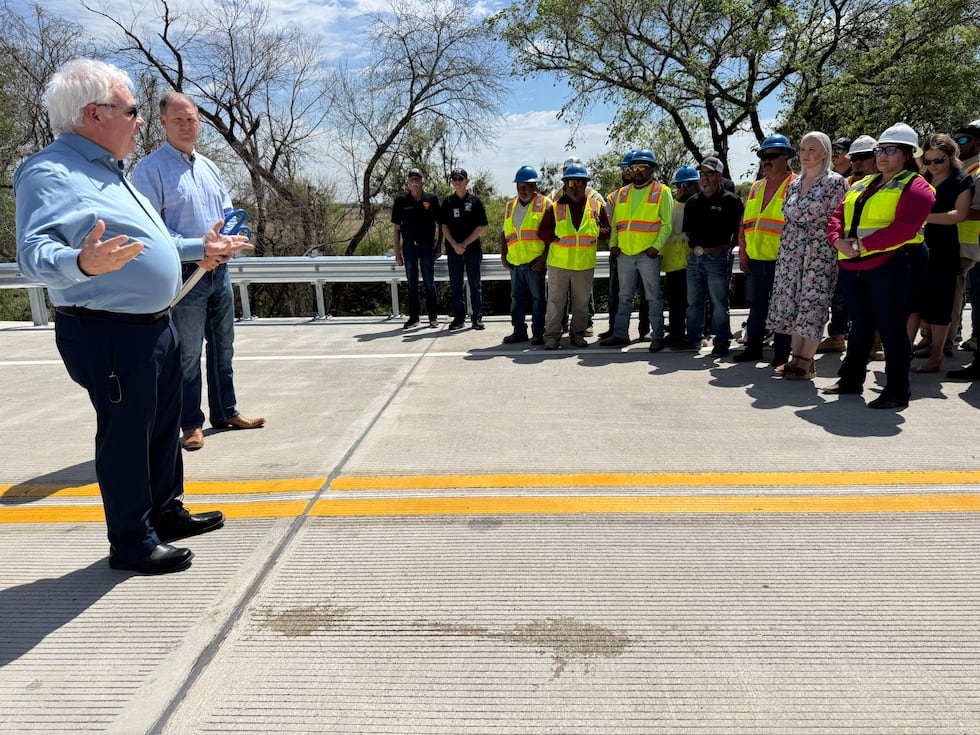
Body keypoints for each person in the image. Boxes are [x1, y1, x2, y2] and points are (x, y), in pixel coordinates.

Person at [15, 59, 251, 574]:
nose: (141, 120)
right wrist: (78, 261)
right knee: (126, 434)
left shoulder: (110, 172)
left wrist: (200, 246)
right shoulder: (49, 171)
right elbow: (32, 251)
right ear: (95, 114)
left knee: (164, 425)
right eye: (134, 110)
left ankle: (165, 512)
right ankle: (131, 541)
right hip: (108, 331)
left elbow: (156, 243)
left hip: (153, 324)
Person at [132, 91, 265, 452]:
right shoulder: (149, 170)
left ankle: (226, 412)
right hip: (186, 271)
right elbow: (152, 231)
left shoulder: (209, 167)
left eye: (191, 119)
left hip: (218, 270)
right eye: (179, 120)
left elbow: (226, 213)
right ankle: (191, 423)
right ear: (162, 123)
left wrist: (228, 244)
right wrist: (198, 252)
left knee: (224, 345)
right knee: (187, 353)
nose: (187, 126)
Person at [824, 122, 935, 408]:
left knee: (891, 328)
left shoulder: (917, 186)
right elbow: (837, 216)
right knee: (859, 325)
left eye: (890, 150)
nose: (882, 155)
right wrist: (838, 241)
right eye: (879, 150)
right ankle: (851, 380)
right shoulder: (861, 183)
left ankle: (897, 391)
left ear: (908, 154)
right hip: (854, 264)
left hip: (895, 264)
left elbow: (904, 228)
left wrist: (860, 245)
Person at [765, 132, 848, 379]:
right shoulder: (792, 183)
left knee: (812, 303)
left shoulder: (835, 182)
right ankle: (794, 357)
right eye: (802, 149)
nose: (806, 155)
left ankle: (806, 359)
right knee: (791, 302)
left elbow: (838, 219)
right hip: (791, 250)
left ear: (825, 153)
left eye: (812, 149)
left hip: (818, 251)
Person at [906, 135, 973, 373]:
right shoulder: (921, 179)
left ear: (951, 157)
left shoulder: (961, 180)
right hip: (917, 245)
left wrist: (922, 219)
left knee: (940, 305)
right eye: (929, 160)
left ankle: (936, 356)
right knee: (912, 303)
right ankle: (904, 352)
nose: (933, 165)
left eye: (938, 160)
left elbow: (959, 214)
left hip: (944, 247)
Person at [600, 148, 674, 351]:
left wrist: (656, 248)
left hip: (648, 254)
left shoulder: (662, 191)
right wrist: (613, 245)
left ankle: (657, 335)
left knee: (653, 297)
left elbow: (667, 224)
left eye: (643, 167)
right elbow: (616, 224)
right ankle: (620, 334)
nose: (638, 171)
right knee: (624, 296)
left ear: (651, 170)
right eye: (634, 167)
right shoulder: (622, 193)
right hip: (625, 253)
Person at [733, 134, 795, 366]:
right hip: (757, 259)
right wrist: (743, 252)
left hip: (783, 260)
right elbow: (745, 223)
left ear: (787, 157)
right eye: (763, 157)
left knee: (783, 310)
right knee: (757, 307)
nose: (766, 161)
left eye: (772, 156)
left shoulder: (795, 185)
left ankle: (781, 355)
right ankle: (753, 348)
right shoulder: (756, 187)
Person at [537, 163, 611, 349]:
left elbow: (606, 230)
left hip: (583, 265)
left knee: (581, 304)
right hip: (559, 265)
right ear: (565, 185)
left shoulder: (596, 206)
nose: (575, 187)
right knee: (555, 303)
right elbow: (542, 232)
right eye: (571, 183)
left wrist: (596, 230)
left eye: (579, 182)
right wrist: (554, 236)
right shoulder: (554, 208)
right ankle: (552, 336)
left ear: (585, 184)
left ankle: (577, 334)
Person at [818, 134, 879, 354]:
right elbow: (836, 217)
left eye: (863, 157)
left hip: (877, 253)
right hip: (847, 254)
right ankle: (837, 337)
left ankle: (876, 342)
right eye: (853, 158)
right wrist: (836, 240)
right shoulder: (848, 184)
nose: (857, 163)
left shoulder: (887, 183)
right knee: (841, 298)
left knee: (876, 300)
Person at [680, 157, 743, 356]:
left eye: (709, 173)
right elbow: (688, 231)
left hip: (717, 257)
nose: (704, 178)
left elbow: (739, 231)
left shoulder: (730, 200)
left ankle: (722, 341)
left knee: (719, 302)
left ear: (719, 176)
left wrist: (724, 248)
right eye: (702, 174)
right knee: (693, 301)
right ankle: (694, 339)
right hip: (694, 258)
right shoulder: (692, 202)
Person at [599, 150, 649, 340]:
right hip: (619, 252)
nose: (628, 172)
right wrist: (614, 246)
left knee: (646, 294)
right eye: (625, 169)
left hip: (644, 251)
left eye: (631, 168)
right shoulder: (614, 197)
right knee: (616, 294)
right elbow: (610, 226)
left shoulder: (651, 193)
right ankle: (616, 329)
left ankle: (644, 331)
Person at [501, 166, 550, 345]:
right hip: (515, 262)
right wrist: (503, 255)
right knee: (516, 298)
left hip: (535, 262)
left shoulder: (545, 204)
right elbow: (504, 232)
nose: (523, 190)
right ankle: (519, 331)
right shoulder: (510, 206)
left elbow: (552, 235)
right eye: (520, 186)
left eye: (527, 186)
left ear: (535, 186)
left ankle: (538, 333)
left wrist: (543, 259)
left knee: (538, 299)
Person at [390, 168, 442, 329]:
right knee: (412, 284)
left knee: (429, 283)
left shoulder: (431, 199)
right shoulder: (401, 202)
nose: (414, 182)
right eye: (411, 179)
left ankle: (433, 317)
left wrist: (439, 247)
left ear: (423, 181)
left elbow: (441, 226)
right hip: (409, 248)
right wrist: (398, 254)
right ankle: (414, 318)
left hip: (427, 247)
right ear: (407, 182)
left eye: (417, 179)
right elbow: (396, 229)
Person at [440, 168, 488, 330]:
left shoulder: (475, 201)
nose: (457, 181)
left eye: (460, 178)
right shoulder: (447, 202)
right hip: (453, 251)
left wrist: (464, 244)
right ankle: (459, 318)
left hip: (472, 251)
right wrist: (455, 245)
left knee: (475, 285)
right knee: (455, 286)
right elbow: (444, 226)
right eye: (454, 178)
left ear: (467, 181)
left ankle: (477, 318)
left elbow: (481, 226)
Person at [663, 165, 699, 348]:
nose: (683, 188)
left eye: (688, 184)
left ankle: (696, 334)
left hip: (691, 261)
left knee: (693, 301)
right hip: (672, 262)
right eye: (680, 185)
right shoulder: (671, 205)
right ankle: (676, 333)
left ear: (696, 185)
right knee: (675, 301)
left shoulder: (699, 204)